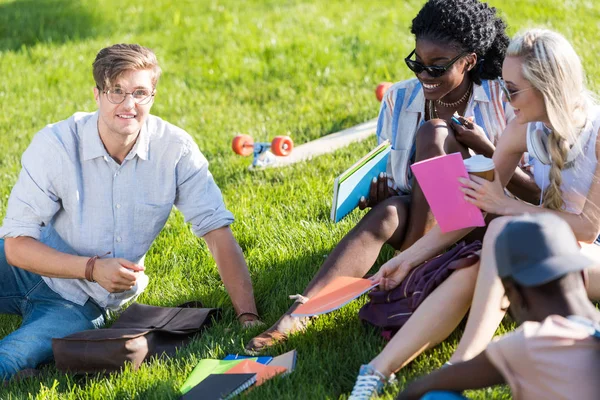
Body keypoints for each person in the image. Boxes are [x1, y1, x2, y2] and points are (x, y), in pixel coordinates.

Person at [246, 0, 538, 353]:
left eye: (437, 67)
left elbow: (536, 194)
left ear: (469, 61)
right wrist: (380, 192)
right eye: (417, 62)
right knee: (385, 212)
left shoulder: (503, 98)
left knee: (434, 133)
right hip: (424, 219)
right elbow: (401, 183)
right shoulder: (399, 99)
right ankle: (296, 316)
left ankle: (412, 266)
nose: (424, 76)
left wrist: (487, 148)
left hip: (485, 218)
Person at [350, 28, 600, 398]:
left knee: (500, 235)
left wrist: (508, 206)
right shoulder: (523, 128)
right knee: (476, 264)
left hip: (591, 251)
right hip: (555, 245)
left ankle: (459, 366)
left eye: (512, 89)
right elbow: (473, 208)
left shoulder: (595, 132)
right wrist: (410, 258)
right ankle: (376, 370)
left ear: (546, 86)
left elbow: (587, 230)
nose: (505, 96)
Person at [0, 44, 260, 381]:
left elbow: (217, 233)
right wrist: (92, 268)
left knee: (9, 359)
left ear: (153, 95)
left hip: (79, 302)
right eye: (116, 92)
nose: (129, 105)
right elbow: (16, 246)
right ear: (97, 95)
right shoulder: (56, 145)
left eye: (140, 93)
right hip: (21, 267)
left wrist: (248, 316)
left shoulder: (176, 150)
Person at [397, 213, 600, 400]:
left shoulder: (532, 344)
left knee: (438, 397)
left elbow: (426, 386)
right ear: (583, 275)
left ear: (514, 296)